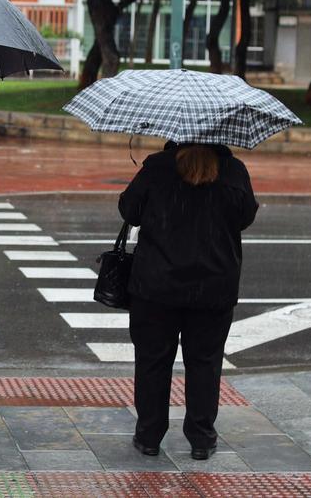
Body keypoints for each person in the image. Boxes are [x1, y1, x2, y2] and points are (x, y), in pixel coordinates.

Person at [117, 142, 258, 460]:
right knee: (205, 363)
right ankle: (201, 438)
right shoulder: (233, 171)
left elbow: (129, 211)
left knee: (153, 361)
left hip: (156, 286)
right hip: (213, 287)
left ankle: (149, 435)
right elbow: (245, 216)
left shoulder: (157, 167)